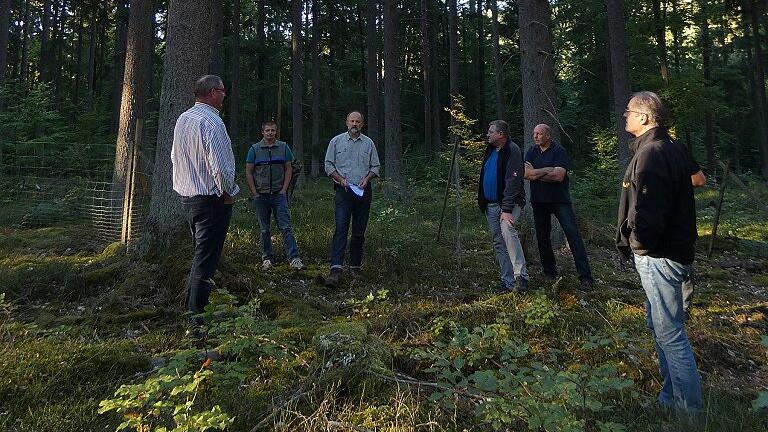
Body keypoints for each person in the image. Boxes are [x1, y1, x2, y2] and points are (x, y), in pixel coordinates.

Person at [616, 91, 703, 413]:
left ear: (644, 118)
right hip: (675, 251)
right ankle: (669, 398)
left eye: (629, 111)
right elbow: (698, 179)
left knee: (670, 332)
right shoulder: (674, 147)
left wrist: (639, 245)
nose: (625, 116)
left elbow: (649, 209)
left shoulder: (652, 153)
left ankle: (688, 410)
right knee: (661, 326)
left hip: (660, 255)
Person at [171, 75, 239, 318]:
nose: (225, 94)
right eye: (222, 90)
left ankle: (194, 307)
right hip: (211, 200)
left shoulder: (183, 119)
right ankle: (197, 316)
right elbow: (220, 167)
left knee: (200, 255)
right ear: (212, 92)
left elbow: (174, 158)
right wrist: (228, 192)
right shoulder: (212, 122)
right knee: (206, 260)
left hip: (188, 198)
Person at [524, 124, 594, 290]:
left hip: (559, 201)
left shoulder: (558, 151)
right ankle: (549, 273)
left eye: (539, 133)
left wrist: (537, 173)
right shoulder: (531, 152)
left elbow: (558, 176)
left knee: (573, 236)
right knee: (542, 238)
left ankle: (585, 277)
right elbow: (526, 174)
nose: (536, 136)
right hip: (539, 201)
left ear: (548, 135)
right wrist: (547, 170)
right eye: (534, 133)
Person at [323, 111, 381, 287]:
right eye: (351, 121)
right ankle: (335, 269)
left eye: (357, 121)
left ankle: (355, 268)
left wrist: (368, 178)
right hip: (343, 190)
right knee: (341, 228)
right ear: (346, 123)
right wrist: (341, 179)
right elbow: (328, 165)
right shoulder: (336, 141)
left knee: (359, 231)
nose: (354, 124)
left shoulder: (369, 143)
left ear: (362, 124)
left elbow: (376, 166)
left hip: (363, 191)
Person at [245, 121, 304, 271]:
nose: (270, 133)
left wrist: (284, 189)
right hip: (261, 195)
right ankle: (267, 259)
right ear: (262, 132)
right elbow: (249, 172)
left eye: (272, 130)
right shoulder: (254, 149)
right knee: (264, 229)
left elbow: (288, 169)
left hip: (279, 194)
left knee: (286, 227)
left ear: (276, 132)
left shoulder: (284, 148)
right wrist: (255, 193)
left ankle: (294, 258)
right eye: (267, 130)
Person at [478, 120, 529, 293]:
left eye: (491, 132)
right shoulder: (491, 150)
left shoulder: (512, 150)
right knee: (498, 242)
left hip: (508, 204)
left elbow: (513, 180)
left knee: (508, 231)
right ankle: (507, 282)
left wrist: (506, 209)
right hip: (491, 205)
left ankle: (521, 277)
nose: (488, 134)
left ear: (501, 134)